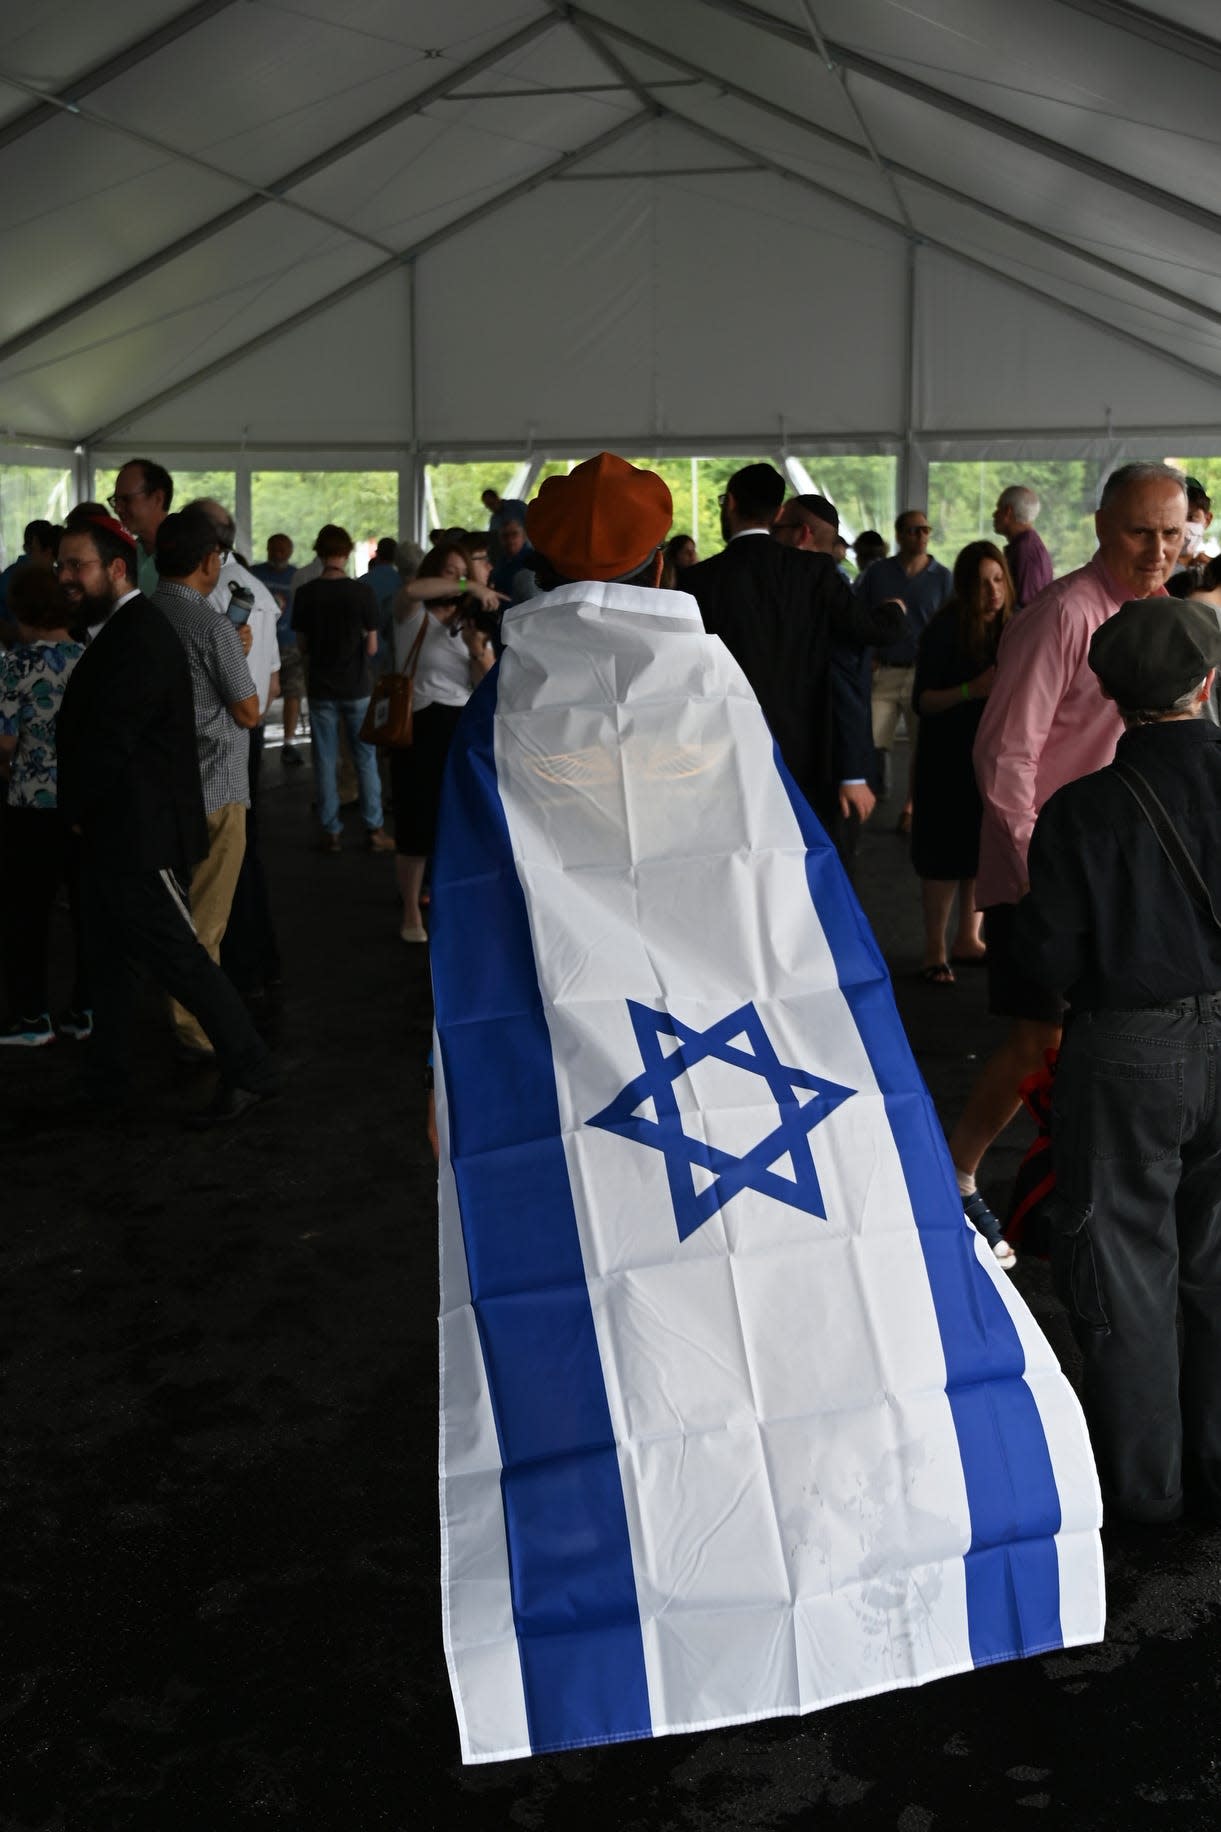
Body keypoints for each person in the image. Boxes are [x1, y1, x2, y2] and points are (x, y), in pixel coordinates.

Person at [1012, 597, 1221, 1526]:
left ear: (1103, 692)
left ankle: (1142, 1493)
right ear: (1207, 683)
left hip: (1130, 1047)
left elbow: (1044, 966)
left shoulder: (1080, 810)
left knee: (1127, 1267)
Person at [949, 460, 1188, 1248]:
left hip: (1114, 869)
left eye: (1170, 532)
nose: (1158, 549)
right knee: (1037, 1040)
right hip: (1045, 873)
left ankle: (1076, 1193)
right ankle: (953, 1176)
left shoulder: (1154, 611)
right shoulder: (1064, 615)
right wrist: (1033, 874)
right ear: (1099, 526)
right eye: (1139, 532)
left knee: (1106, 1036)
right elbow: (1004, 756)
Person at [54, 513, 279, 1125]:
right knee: (112, 960)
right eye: (62, 566)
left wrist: (75, 809)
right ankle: (107, 1077)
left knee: (181, 953)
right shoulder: (131, 628)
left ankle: (251, 1067)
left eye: (78, 566)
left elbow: (116, 738)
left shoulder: (145, 630)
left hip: (137, 829)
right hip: (121, 827)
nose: (66, 576)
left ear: (118, 569)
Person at [684, 464, 892, 874]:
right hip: (807, 750)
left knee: (740, 867)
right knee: (808, 868)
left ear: (733, 505)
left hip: (725, 751)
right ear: (778, 513)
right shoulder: (814, 572)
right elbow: (861, 638)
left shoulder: (698, 581)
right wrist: (894, 611)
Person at [152, 509, 261, 1062]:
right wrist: (235, 655)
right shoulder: (212, 625)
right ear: (209, 561)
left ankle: (178, 1010)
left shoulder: (145, 615)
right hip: (217, 787)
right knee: (207, 921)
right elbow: (247, 710)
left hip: (161, 787)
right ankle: (197, 1028)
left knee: (173, 912)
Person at [910, 541, 1014, 1008]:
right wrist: (974, 689)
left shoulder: (1016, 626)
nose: (992, 592)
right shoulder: (944, 629)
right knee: (941, 853)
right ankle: (934, 947)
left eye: (998, 580)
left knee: (981, 847)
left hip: (994, 755)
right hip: (947, 754)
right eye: (982, 583)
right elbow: (924, 701)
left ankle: (968, 939)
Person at [390, 539, 498, 939]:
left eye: (462, 572)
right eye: (448, 572)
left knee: (456, 817)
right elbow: (411, 591)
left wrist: (477, 651)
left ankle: (448, 899)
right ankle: (410, 912)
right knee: (416, 821)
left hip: (460, 726)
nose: (455, 580)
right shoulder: (412, 613)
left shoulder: (472, 623)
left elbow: (485, 686)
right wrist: (470, 586)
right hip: (417, 725)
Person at [0, 567, 87, 1045]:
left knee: (25, 913)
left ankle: (32, 1017)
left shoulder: (15, 664)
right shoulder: (89, 657)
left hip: (30, 804)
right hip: (84, 805)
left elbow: (5, 741)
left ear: (21, 611)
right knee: (86, 910)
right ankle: (86, 1009)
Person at [290, 525, 393, 854]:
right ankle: (374, 829)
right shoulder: (362, 593)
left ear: (318, 552)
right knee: (365, 759)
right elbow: (374, 648)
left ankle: (330, 830)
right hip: (358, 687)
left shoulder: (306, 594)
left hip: (321, 687)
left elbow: (302, 646)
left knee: (324, 759)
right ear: (347, 553)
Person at [855, 509, 953, 824]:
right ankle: (863, 804)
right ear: (898, 535)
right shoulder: (877, 573)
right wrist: (866, 655)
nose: (921, 536)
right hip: (883, 669)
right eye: (913, 530)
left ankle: (911, 808)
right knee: (868, 739)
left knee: (920, 746)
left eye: (925, 530)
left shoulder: (943, 578)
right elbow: (858, 616)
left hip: (923, 672)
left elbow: (952, 625)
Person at [251, 532, 305, 765]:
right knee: (261, 691)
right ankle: (256, 732)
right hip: (261, 642)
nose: (278, 554)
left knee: (293, 692)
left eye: (283, 550)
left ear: (290, 551)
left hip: (290, 644)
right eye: (274, 549)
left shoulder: (297, 576)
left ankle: (289, 742)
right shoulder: (255, 574)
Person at [109, 457, 173, 596]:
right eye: (115, 500)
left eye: (126, 499)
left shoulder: (186, 555)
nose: (118, 509)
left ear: (157, 498)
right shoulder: (123, 555)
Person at [992, 485, 1053, 609]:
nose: (994, 514)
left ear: (1008, 512)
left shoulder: (1025, 553)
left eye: (998, 508)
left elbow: (1026, 610)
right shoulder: (1025, 546)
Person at [489, 517, 538, 605]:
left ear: (524, 536)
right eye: (505, 536)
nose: (510, 540)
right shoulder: (500, 562)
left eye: (514, 534)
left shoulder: (534, 560)